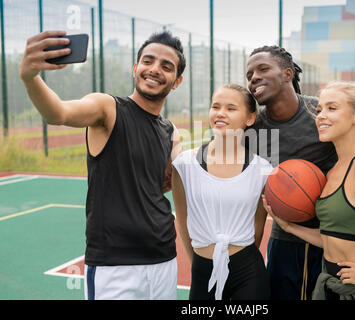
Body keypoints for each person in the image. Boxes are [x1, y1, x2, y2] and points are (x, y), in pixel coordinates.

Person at [19, 30, 186, 300]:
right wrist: (30, 77)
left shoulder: (170, 131)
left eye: (166, 66)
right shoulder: (107, 108)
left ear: (176, 81)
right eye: (148, 61)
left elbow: (166, 183)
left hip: (163, 259)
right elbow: (58, 113)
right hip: (114, 265)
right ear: (135, 68)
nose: (154, 69)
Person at [245, 45, 355, 300]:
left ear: (288, 74)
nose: (254, 77)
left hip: (332, 240)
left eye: (263, 69)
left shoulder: (321, 113)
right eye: (249, 74)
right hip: (285, 237)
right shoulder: (253, 130)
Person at [171, 84, 273, 300]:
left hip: (247, 273)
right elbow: (182, 219)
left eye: (231, 108)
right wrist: (199, 263)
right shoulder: (184, 164)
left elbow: (258, 226)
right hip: (201, 271)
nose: (220, 113)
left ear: (250, 118)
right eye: (215, 106)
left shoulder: (263, 170)